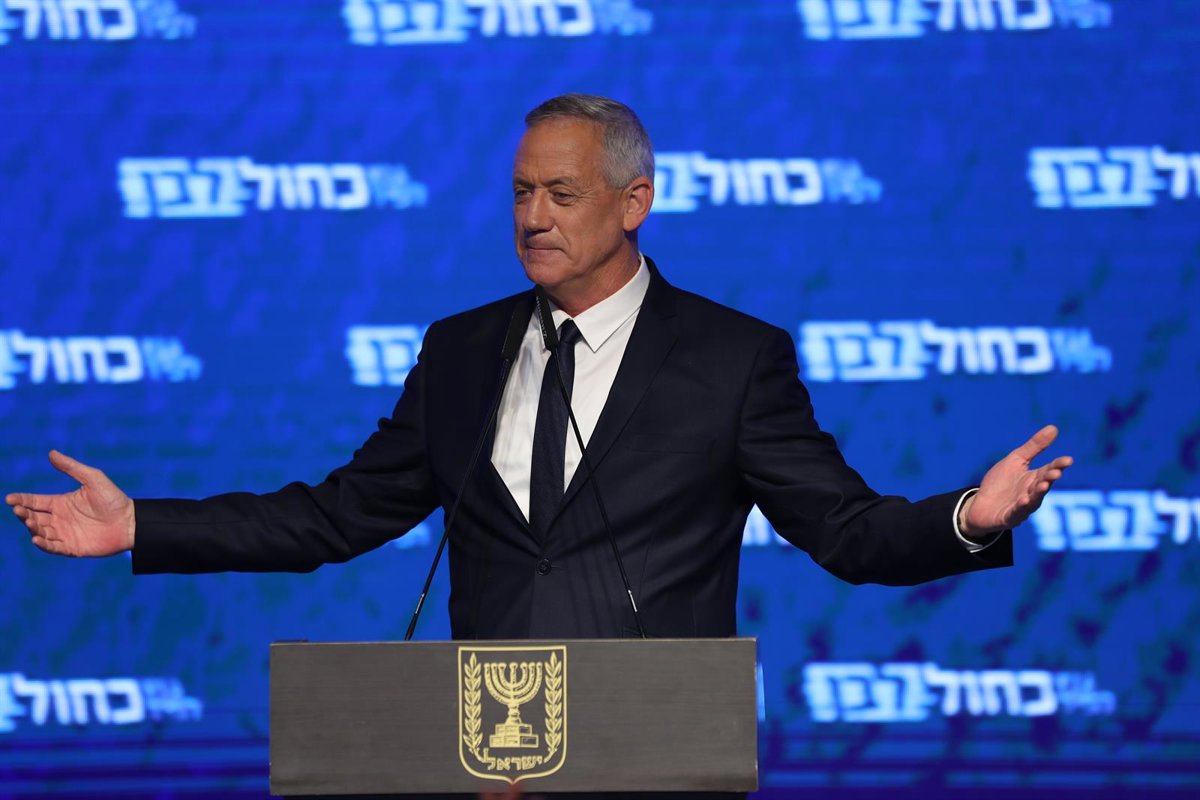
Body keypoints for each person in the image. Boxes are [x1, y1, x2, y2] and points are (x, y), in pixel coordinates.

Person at [8, 94, 1071, 639]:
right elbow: (335, 517)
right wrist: (142, 523)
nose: (534, 217)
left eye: (562, 194)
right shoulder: (461, 350)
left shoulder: (733, 359)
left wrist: (970, 516)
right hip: (490, 760)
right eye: (521, 193)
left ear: (634, 202)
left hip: (655, 754)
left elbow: (844, 530)